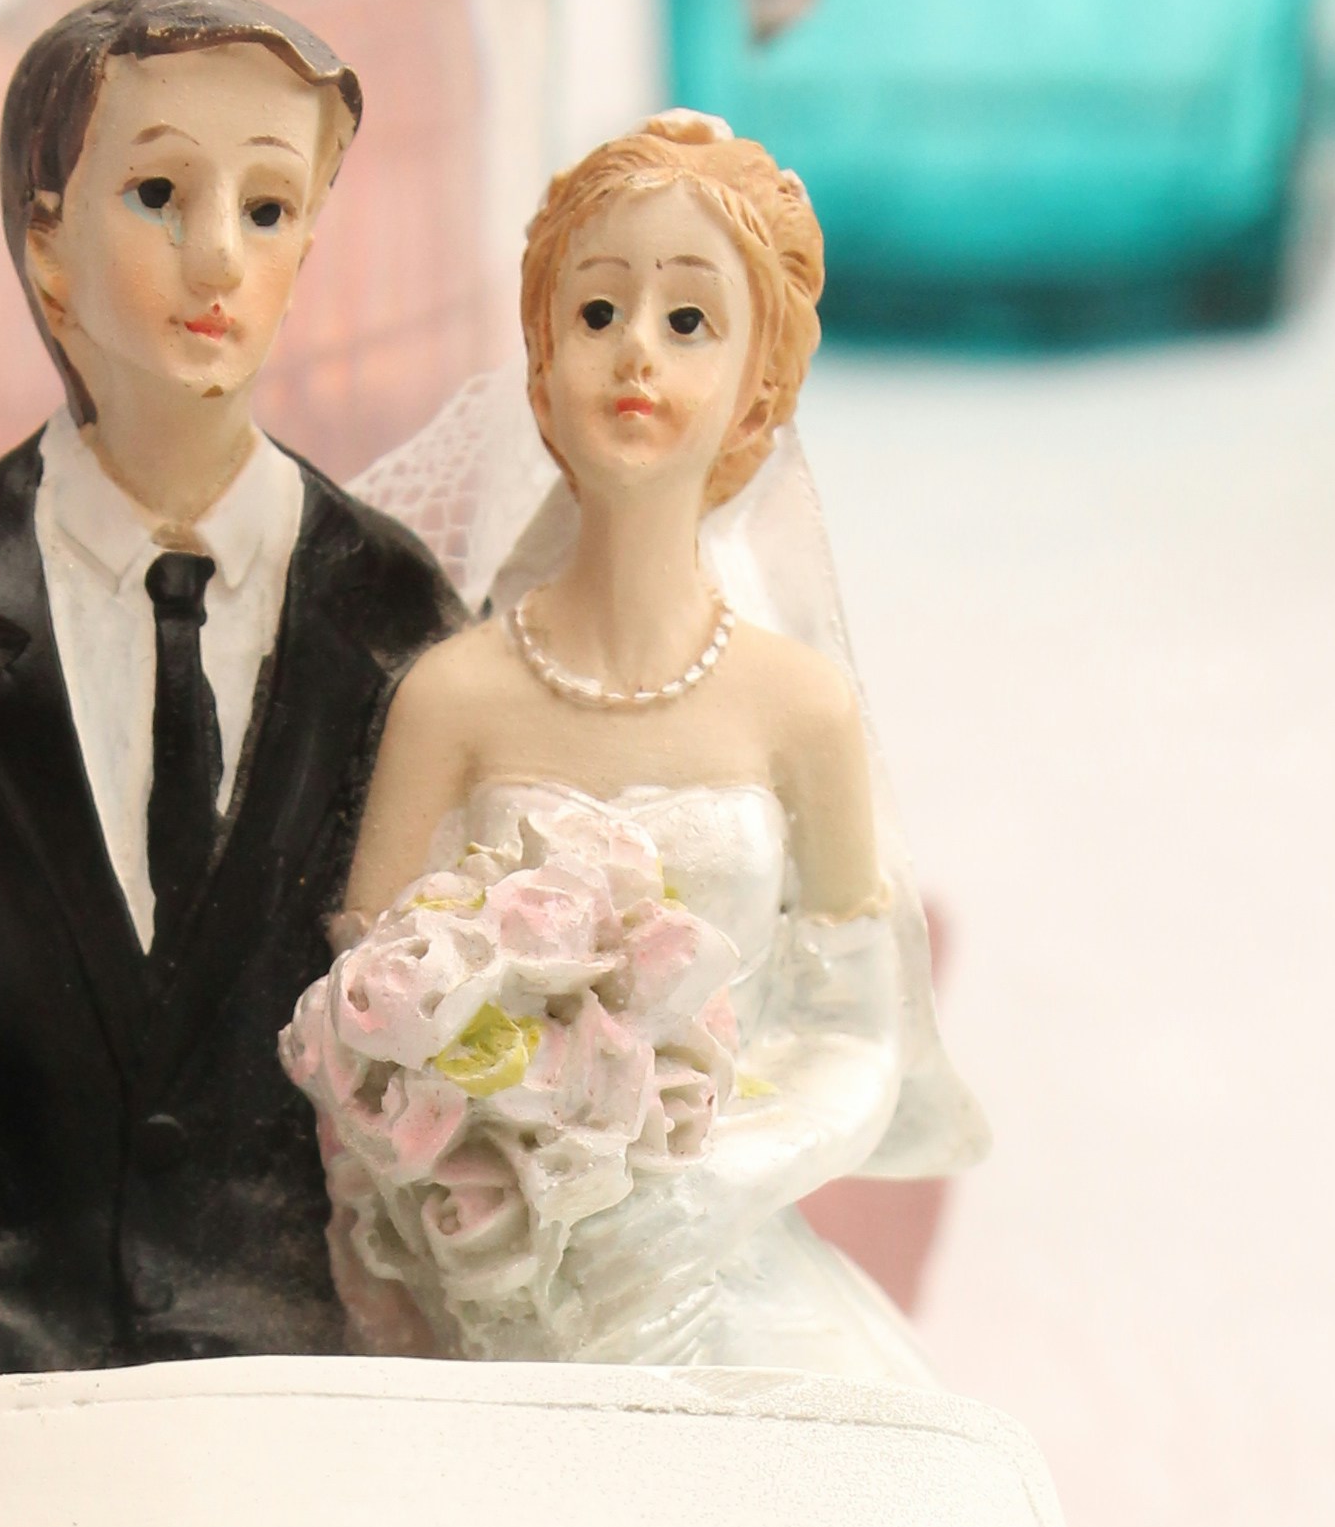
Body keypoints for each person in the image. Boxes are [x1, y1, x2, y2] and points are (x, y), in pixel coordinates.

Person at [0, 0, 462, 1527]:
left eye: (268, 206)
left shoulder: (394, 620)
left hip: (304, 1388)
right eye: (159, 194)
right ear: (45, 239)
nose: (218, 256)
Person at [293, 110, 982, 1376]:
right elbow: (362, 1020)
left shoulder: (799, 711)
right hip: (485, 1282)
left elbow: (851, 1040)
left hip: (710, 1275)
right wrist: (446, 1206)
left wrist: (699, 1186)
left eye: (689, 322)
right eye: (597, 312)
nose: (635, 360)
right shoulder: (452, 699)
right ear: (542, 357)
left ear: (756, 384)